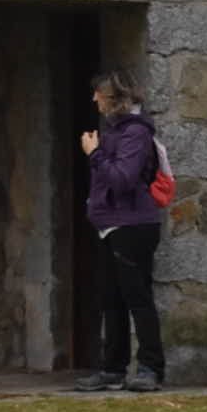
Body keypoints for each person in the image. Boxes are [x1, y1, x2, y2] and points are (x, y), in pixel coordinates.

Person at [78, 70, 166, 393]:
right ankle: (113, 368)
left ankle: (150, 368)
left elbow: (123, 179)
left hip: (133, 226)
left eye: (98, 94)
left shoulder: (135, 134)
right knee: (110, 299)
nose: (94, 100)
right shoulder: (116, 131)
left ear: (113, 97)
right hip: (109, 225)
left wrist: (94, 154)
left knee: (137, 298)